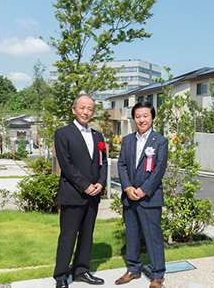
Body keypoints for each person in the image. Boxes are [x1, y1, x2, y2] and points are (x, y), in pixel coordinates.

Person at [53, 95, 107, 288]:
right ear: (73, 109)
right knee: (68, 236)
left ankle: (81, 271)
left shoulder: (97, 136)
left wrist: (101, 183)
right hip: (73, 194)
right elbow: (66, 165)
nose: (86, 112)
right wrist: (85, 185)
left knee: (87, 234)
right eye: (82, 108)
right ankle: (61, 276)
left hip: (94, 195)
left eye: (90, 109)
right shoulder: (63, 134)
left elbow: (103, 163)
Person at [115, 101, 168, 288]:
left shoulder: (160, 141)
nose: (141, 119)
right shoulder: (127, 140)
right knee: (131, 234)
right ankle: (133, 269)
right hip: (129, 197)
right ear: (134, 118)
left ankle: (157, 274)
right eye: (138, 116)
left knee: (153, 235)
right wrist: (127, 187)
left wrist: (144, 189)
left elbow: (159, 169)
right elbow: (121, 164)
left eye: (145, 115)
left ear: (152, 118)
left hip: (149, 198)